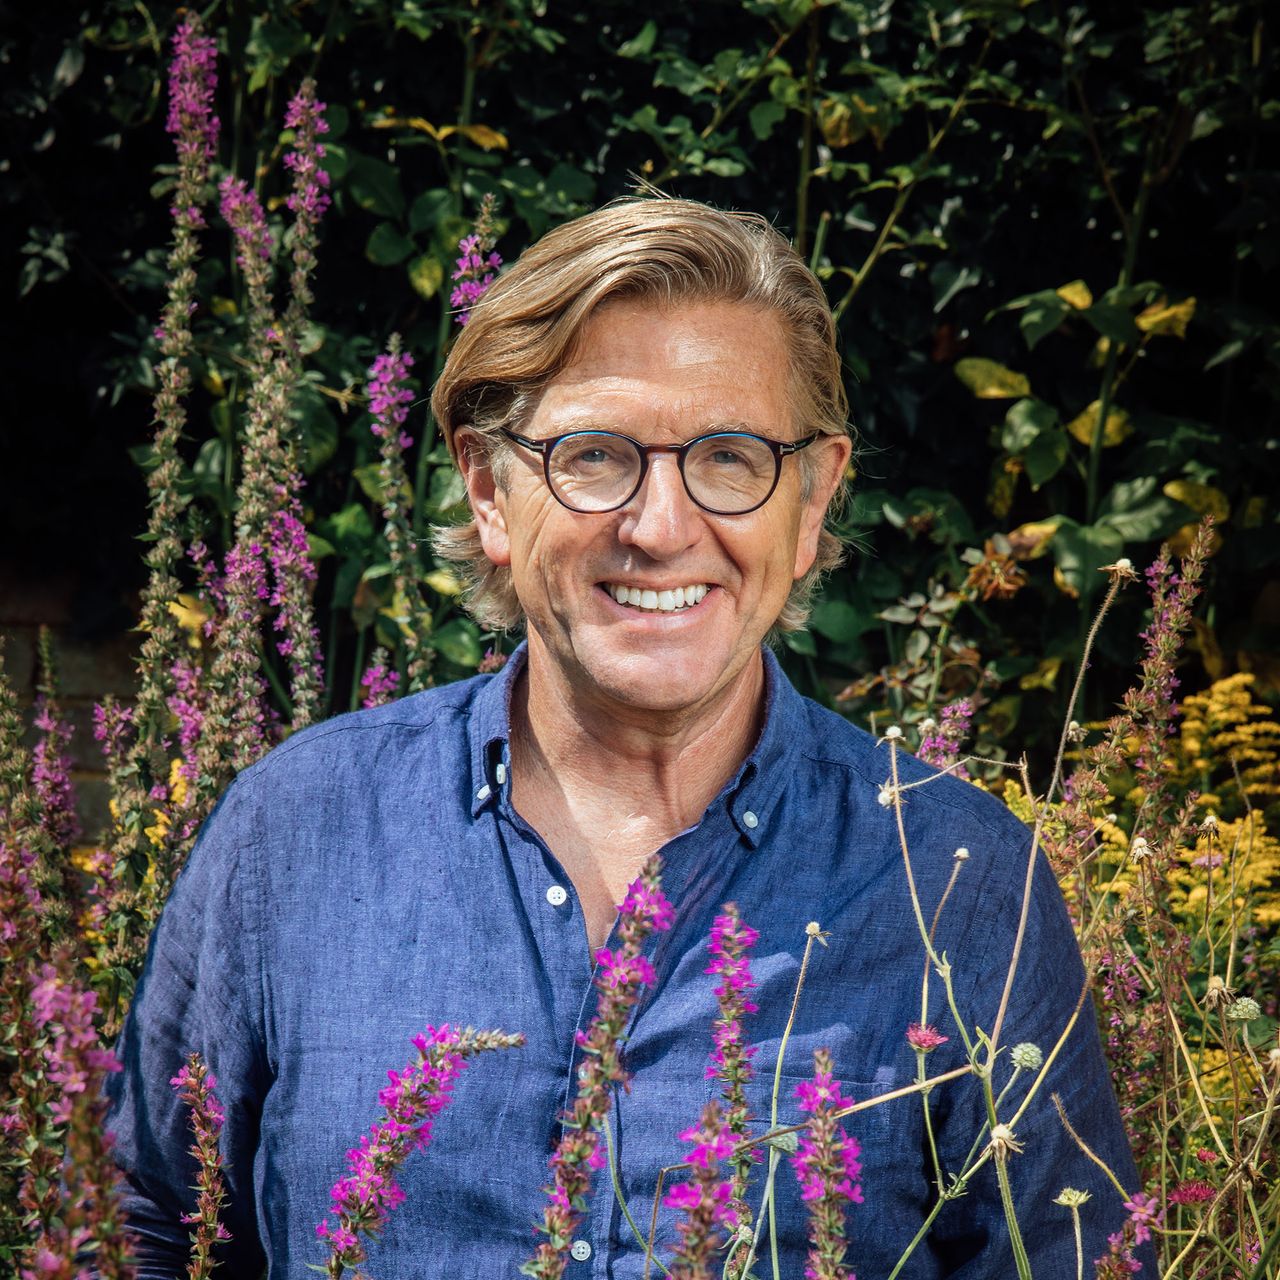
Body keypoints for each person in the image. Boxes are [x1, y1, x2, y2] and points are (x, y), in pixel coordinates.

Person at [106, 197, 1145, 1278]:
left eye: (730, 457)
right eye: (594, 455)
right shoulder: (301, 829)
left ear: (812, 494)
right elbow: (150, 1226)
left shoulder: (960, 884)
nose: (658, 527)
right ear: (489, 490)